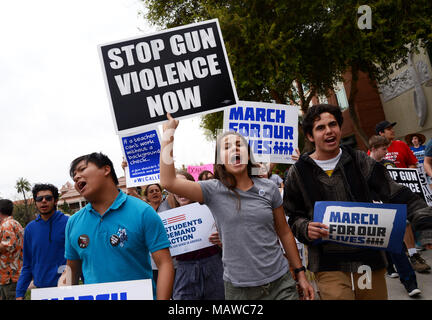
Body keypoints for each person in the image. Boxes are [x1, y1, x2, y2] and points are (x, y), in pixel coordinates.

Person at [283, 104, 432, 300]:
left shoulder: (359, 160)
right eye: (320, 127)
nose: (328, 131)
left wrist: (421, 214)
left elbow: (393, 191)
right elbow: (293, 215)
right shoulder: (298, 172)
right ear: (310, 136)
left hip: (367, 261)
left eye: (333, 124)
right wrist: (305, 227)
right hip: (329, 264)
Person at [160, 113, 314, 300]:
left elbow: (284, 232)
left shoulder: (269, 188)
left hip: (280, 284)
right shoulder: (212, 190)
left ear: (248, 153)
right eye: (226, 147)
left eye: (239, 145)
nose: (234, 149)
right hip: (240, 291)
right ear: (220, 159)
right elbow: (168, 181)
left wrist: (300, 273)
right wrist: (169, 134)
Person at [63, 152, 174, 300]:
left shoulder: (143, 212)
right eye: (74, 175)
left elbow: (165, 264)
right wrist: (61, 291)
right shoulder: (73, 222)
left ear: (106, 169)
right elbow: (72, 270)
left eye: (82, 169)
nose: (76, 177)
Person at [369, 135, 422, 297]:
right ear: (374, 149)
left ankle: (410, 282)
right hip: (375, 209)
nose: (386, 152)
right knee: (387, 243)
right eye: (384, 149)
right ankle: (391, 267)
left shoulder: (386, 165)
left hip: (392, 207)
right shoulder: (363, 166)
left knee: (394, 243)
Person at [165, 170, 225, 300]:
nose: (180, 190)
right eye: (176, 186)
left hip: (214, 266)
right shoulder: (167, 218)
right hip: (184, 270)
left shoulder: (212, 210)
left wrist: (222, 241)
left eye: (183, 185)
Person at [16, 183, 69, 300]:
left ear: (55, 201)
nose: (43, 201)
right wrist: (19, 293)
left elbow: (79, 258)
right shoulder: (30, 229)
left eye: (48, 198)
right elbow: (27, 264)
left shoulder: (69, 223)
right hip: (42, 291)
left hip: (67, 288)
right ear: (35, 202)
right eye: (39, 199)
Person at [0, 199, 24, 300]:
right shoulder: (15, 223)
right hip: (12, 276)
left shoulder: (7, 225)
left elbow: (7, 246)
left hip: (9, 277)